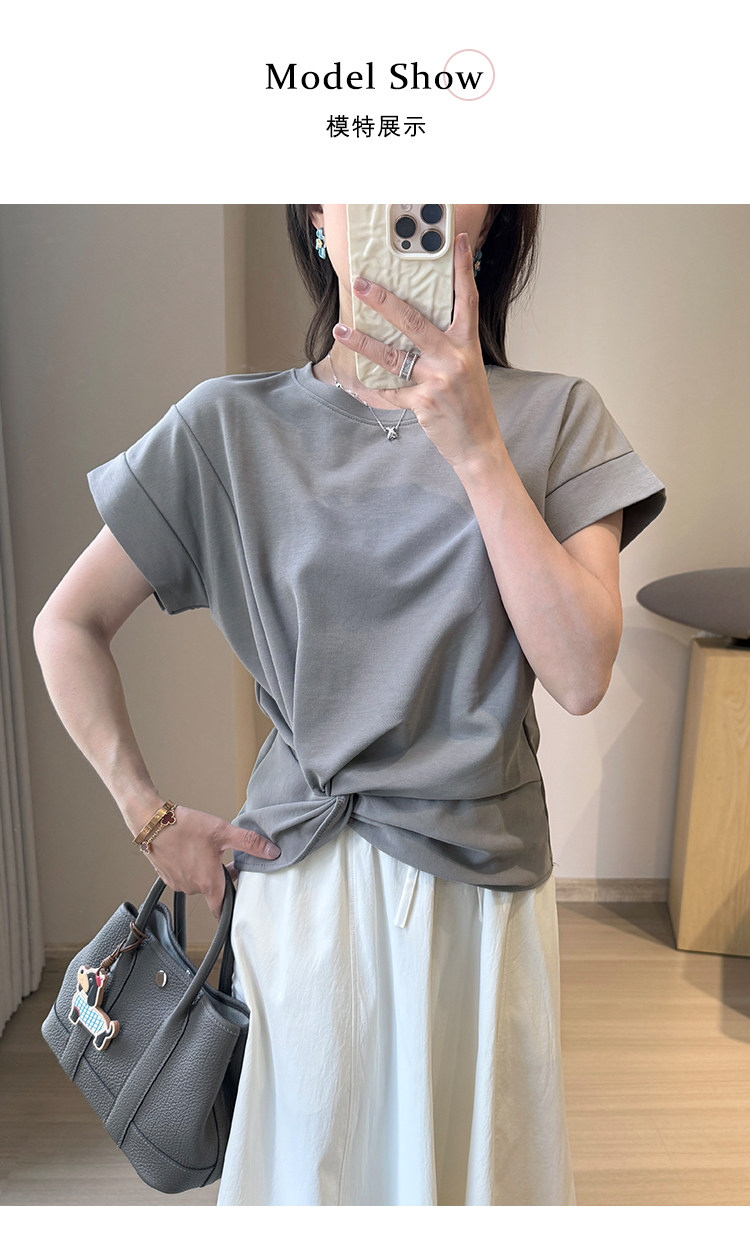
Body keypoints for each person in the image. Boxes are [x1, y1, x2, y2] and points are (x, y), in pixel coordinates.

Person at [33, 204, 666, 1206]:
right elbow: (66, 624)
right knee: (313, 1183)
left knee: (476, 1181)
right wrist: (148, 814)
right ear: (317, 219)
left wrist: (477, 447)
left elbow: (582, 673)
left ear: (491, 220)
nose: (405, 188)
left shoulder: (557, 418)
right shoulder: (228, 426)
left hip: (482, 900)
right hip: (306, 897)